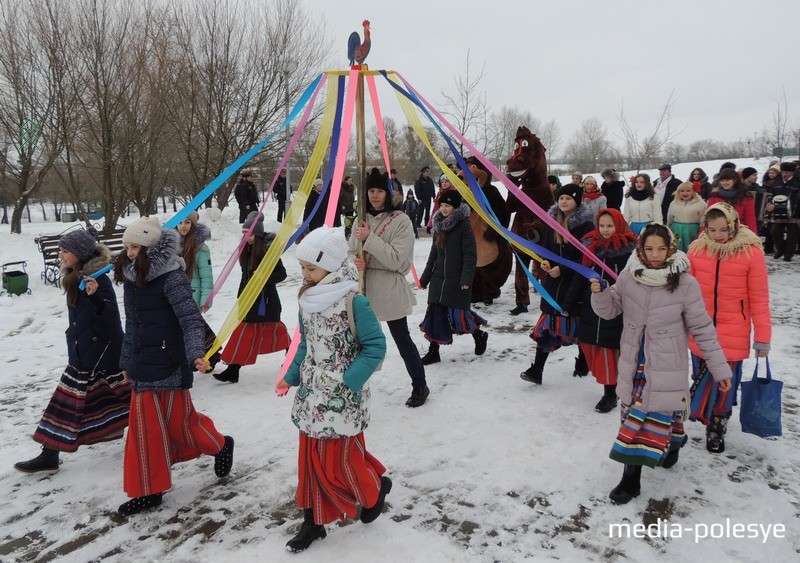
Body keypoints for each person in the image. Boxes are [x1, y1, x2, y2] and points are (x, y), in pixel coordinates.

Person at [590, 223, 732, 504]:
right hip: (634, 361)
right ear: (641, 248)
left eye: (662, 248)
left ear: (671, 249)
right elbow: (609, 311)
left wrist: (719, 367)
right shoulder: (629, 277)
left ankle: (673, 443)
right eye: (650, 248)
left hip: (666, 363)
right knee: (633, 417)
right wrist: (600, 292)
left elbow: (702, 328)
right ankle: (631, 480)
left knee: (662, 414)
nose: (655, 254)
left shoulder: (685, 282)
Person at [277, 226, 390, 553]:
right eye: (302, 268)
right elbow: (305, 346)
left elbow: (375, 347)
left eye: (311, 268)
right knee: (309, 460)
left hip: (342, 398)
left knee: (339, 462)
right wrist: (291, 375)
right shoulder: (307, 299)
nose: (304, 274)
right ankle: (312, 522)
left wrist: (348, 381)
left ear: (331, 265)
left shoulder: (354, 302)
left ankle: (373, 488)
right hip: (311, 396)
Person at [114, 216, 233, 516]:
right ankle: (149, 491)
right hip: (143, 365)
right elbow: (132, 325)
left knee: (183, 427)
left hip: (169, 365)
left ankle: (220, 445)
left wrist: (196, 354)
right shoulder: (132, 278)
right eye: (127, 247)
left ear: (151, 247)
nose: (129, 253)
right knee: (144, 433)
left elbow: (191, 321)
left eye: (135, 247)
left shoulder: (172, 278)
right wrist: (126, 361)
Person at [14, 229, 130, 474]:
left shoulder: (98, 281)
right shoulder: (73, 277)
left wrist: (96, 297)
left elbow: (112, 322)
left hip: (104, 356)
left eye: (65, 251)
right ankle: (49, 455)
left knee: (134, 401)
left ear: (79, 253)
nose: (61, 255)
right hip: (83, 354)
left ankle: (164, 428)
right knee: (63, 405)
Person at [687, 203, 771, 453]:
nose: (718, 235)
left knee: (724, 382)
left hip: (733, 330)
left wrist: (763, 339)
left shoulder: (750, 253)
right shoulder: (697, 250)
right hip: (700, 328)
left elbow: (759, 298)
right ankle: (706, 413)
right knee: (701, 376)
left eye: (723, 229)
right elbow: (686, 291)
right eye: (712, 229)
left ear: (734, 224)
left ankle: (717, 424)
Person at [350, 167, 428, 408]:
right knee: (356, 343)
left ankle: (420, 385)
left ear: (388, 193)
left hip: (390, 286)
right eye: (371, 190)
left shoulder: (401, 220)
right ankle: (353, 387)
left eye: (379, 191)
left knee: (402, 339)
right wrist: (356, 260)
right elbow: (351, 249)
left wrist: (369, 239)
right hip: (364, 287)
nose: (375, 195)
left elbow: (396, 259)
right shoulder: (360, 218)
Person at [519, 184, 594, 385]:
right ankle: (537, 370)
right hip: (553, 285)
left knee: (579, 329)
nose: (563, 202)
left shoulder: (587, 227)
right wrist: (545, 262)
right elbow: (546, 248)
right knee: (546, 328)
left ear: (577, 201)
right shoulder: (552, 222)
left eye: (568, 198)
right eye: (561, 198)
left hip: (576, 286)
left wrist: (563, 269)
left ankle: (583, 362)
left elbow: (587, 259)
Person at [572, 209, 637, 413]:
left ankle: (610, 395)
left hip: (617, 311)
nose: (605, 230)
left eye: (610, 226)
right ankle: (607, 386)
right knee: (595, 351)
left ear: (618, 225)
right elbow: (580, 276)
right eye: (602, 226)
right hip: (592, 308)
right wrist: (570, 301)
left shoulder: (628, 252)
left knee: (610, 355)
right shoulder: (590, 247)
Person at [215, 212, 290, 383]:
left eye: (249, 234)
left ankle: (293, 355)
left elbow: (282, 274)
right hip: (249, 302)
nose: (246, 237)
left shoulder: (268, 251)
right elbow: (245, 278)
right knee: (251, 334)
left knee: (272, 332)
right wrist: (241, 297)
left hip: (266, 303)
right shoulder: (247, 250)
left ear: (257, 234)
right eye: (244, 233)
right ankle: (233, 370)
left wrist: (263, 276)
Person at [418, 190, 487, 364]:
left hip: (456, 280)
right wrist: (425, 278)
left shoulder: (464, 225)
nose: (444, 209)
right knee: (435, 315)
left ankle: (478, 335)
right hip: (438, 280)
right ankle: (434, 351)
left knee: (459, 316)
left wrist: (466, 279)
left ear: (455, 207)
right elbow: (433, 255)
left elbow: (470, 255)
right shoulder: (439, 225)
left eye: (448, 205)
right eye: (441, 205)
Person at [766, 162, 799, 261]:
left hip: (793, 212)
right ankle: (780, 250)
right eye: (783, 172)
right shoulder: (777, 183)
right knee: (775, 231)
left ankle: (788, 254)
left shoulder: (797, 183)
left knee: (792, 234)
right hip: (778, 211)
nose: (784, 174)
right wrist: (769, 204)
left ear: (793, 173)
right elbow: (771, 196)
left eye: (787, 173)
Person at [706, 168, 757, 232]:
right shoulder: (714, 197)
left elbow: (750, 219)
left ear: (734, 180)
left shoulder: (745, 196)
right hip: (719, 232)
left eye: (727, 180)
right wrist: (702, 236)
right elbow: (708, 219)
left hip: (740, 232)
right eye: (722, 180)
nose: (724, 183)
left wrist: (754, 237)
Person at [667, 182, 706, 252]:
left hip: (692, 230)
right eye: (682, 191)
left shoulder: (700, 203)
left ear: (693, 192)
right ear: (678, 192)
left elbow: (703, 218)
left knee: (692, 249)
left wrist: (702, 231)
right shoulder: (674, 203)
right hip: (677, 229)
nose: (685, 193)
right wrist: (668, 227)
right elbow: (670, 217)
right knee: (676, 249)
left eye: (688, 191)